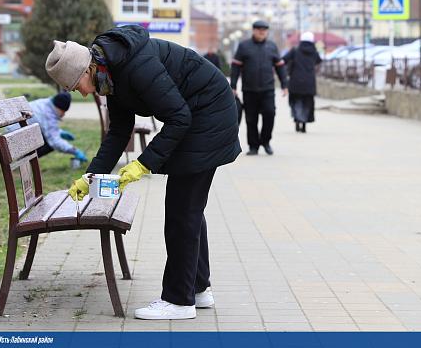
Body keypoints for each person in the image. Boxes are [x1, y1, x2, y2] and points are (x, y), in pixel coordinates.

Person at [45, 25, 241, 320]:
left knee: (181, 211)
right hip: (196, 115)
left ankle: (178, 300)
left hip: (208, 115)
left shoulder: (134, 66)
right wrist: (91, 175)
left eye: (76, 87)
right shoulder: (110, 74)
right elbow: (119, 130)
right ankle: (197, 289)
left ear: (87, 71)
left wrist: (143, 163)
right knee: (187, 209)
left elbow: (178, 118)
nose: (81, 94)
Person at [230, 20, 288, 156]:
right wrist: (233, 86)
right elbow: (235, 67)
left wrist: (285, 85)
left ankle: (266, 141)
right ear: (253, 31)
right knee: (251, 119)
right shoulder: (244, 46)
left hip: (268, 89)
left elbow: (280, 67)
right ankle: (253, 146)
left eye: (264, 30)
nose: (262, 32)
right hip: (249, 89)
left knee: (270, 114)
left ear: (267, 32)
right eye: (259, 30)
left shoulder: (272, 46)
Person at [8, 92, 87, 161]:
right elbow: (54, 141)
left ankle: (25, 159)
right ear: (59, 108)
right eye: (63, 112)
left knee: (47, 137)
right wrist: (75, 151)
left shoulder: (45, 103)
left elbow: (45, 127)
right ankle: (26, 160)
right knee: (50, 144)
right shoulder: (48, 114)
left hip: (12, 134)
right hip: (15, 142)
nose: (63, 115)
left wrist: (60, 132)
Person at [283, 32, 322, 133]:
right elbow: (318, 61)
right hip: (309, 82)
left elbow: (284, 60)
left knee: (296, 101)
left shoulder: (295, 50)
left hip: (295, 82)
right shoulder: (314, 52)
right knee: (307, 103)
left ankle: (297, 120)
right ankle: (304, 124)